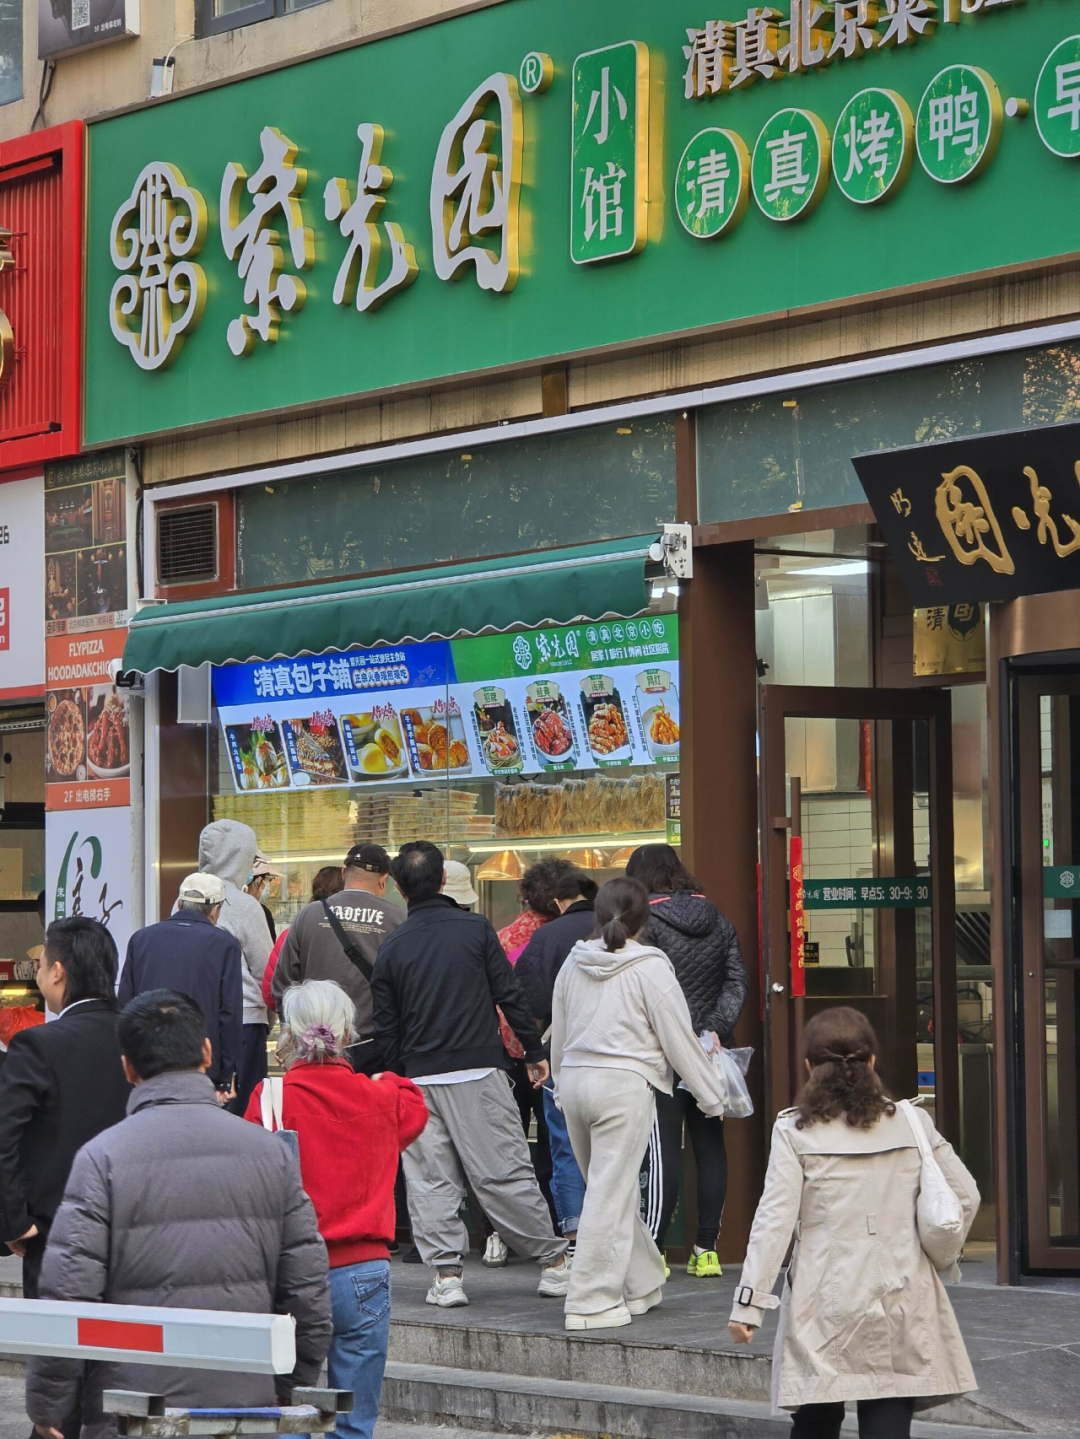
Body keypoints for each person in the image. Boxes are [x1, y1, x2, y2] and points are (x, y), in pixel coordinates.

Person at [26, 989, 332, 1439]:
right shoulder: (271, 1154)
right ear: (206, 1052)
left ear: (128, 1068)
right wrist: (289, 1384)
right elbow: (308, 1292)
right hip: (243, 1406)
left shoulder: (101, 1158)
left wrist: (49, 1404)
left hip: (132, 1412)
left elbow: (68, 1295)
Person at [728, 1007, 979, 1439]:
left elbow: (774, 1221)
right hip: (903, 1290)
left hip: (823, 1298)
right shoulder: (912, 1122)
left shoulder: (794, 1130)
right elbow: (966, 1195)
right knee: (887, 1414)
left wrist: (748, 1306)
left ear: (809, 1067)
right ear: (872, 1062)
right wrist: (938, 1253)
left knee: (816, 1419)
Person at [371, 840, 569, 1309]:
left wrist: (397, 1078)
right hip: (479, 1070)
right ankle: (554, 1265)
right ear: (443, 880)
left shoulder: (393, 946)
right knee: (504, 1173)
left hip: (420, 1080)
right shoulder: (475, 928)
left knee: (430, 1182)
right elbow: (509, 993)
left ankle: (446, 1276)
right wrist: (533, 1051)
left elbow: (386, 1029)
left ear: (400, 888)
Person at [245, 980, 428, 1439]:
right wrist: (383, 1078)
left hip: (292, 1270)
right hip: (364, 1271)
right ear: (348, 1035)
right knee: (354, 1423)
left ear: (288, 1037)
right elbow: (414, 1104)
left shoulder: (270, 1100)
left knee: (288, 1417)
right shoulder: (382, 1098)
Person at [550, 877, 727, 1332]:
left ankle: (641, 1282)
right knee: (610, 1193)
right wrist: (711, 1096)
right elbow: (679, 1040)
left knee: (610, 1190)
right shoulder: (651, 968)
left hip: (575, 1082)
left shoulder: (574, 962)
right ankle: (591, 1301)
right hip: (622, 1085)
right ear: (645, 918)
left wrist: (561, 1086)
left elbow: (560, 1032)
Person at [625, 843, 748, 1275]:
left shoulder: (646, 923)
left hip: (662, 1051)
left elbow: (647, 988)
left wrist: (679, 1033)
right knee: (709, 1145)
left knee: (664, 1150)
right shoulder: (717, 918)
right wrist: (713, 1029)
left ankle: (655, 1251)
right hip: (711, 1051)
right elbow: (736, 981)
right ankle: (706, 1250)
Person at [0, 919, 130, 1304]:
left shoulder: (37, 1045)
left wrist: (15, 1220)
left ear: (58, 972)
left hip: (57, 1233)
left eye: (41, 964)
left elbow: (4, 1136)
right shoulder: (139, 1037)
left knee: (60, 1340)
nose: (39, 973)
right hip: (137, 1231)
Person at [514, 871, 597, 1257]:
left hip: (562, 1050)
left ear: (559, 902)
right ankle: (613, 1235)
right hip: (614, 1054)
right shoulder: (617, 931)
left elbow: (527, 997)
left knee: (565, 1147)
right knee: (613, 1150)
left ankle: (574, 1233)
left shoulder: (547, 935)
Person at [273, 844, 405, 1075]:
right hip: (375, 1047)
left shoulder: (309, 914)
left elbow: (283, 982)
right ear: (383, 880)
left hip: (315, 1047)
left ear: (344, 873)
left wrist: (291, 1029)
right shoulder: (398, 919)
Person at [118, 873, 243, 1099]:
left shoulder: (141, 939)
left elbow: (125, 1004)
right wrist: (225, 1077)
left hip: (147, 1061)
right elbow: (230, 1013)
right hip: (199, 1064)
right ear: (215, 910)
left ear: (179, 904)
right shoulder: (225, 944)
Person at [198, 819, 274, 1115]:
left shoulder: (185, 900)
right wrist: (270, 1017)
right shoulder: (244, 905)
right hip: (245, 1022)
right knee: (243, 1109)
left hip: (198, 1023)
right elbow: (266, 971)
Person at [263, 866, 345, 1015]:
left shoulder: (293, 932)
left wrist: (289, 1015)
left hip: (303, 1021)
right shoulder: (358, 935)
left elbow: (271, 991)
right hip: (346, 1019)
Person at [246, 851, 283, 943]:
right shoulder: (261, 912)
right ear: (258, 880)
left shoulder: (232, 906)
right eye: (268, 880)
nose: (269, 885)